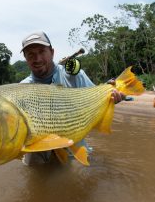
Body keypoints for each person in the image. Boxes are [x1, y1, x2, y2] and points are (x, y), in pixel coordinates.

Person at [20, 31, 124, 165]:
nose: (38, 58)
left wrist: (114, 94)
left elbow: (97, 97)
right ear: (25, 58)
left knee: (80, 173)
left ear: (52, 52)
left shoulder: (74, 76)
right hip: (38, 147)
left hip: (72, 141)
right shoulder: (22, 88)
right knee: (33, 171)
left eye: (42, 51)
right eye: (31, 55)